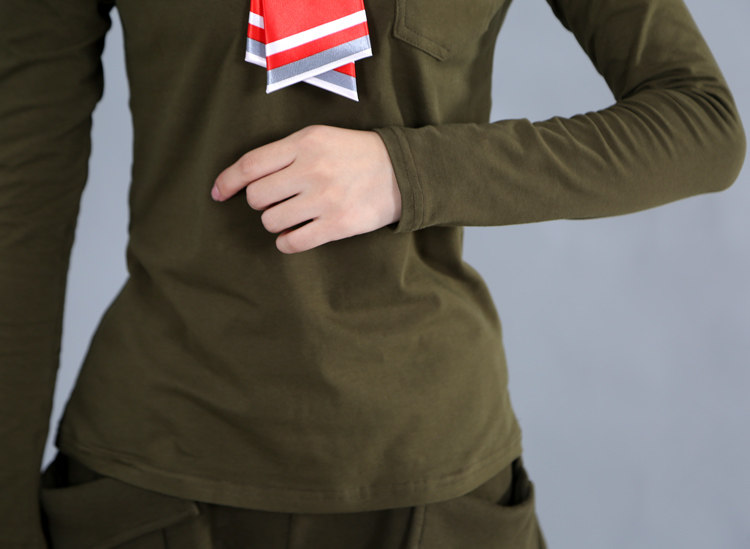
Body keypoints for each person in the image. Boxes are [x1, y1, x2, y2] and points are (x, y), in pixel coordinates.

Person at [0, 0, 744, 547]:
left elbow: (702, 123)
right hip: (152, 477)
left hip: (431, 479)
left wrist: (409, 172)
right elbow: (20, 205)